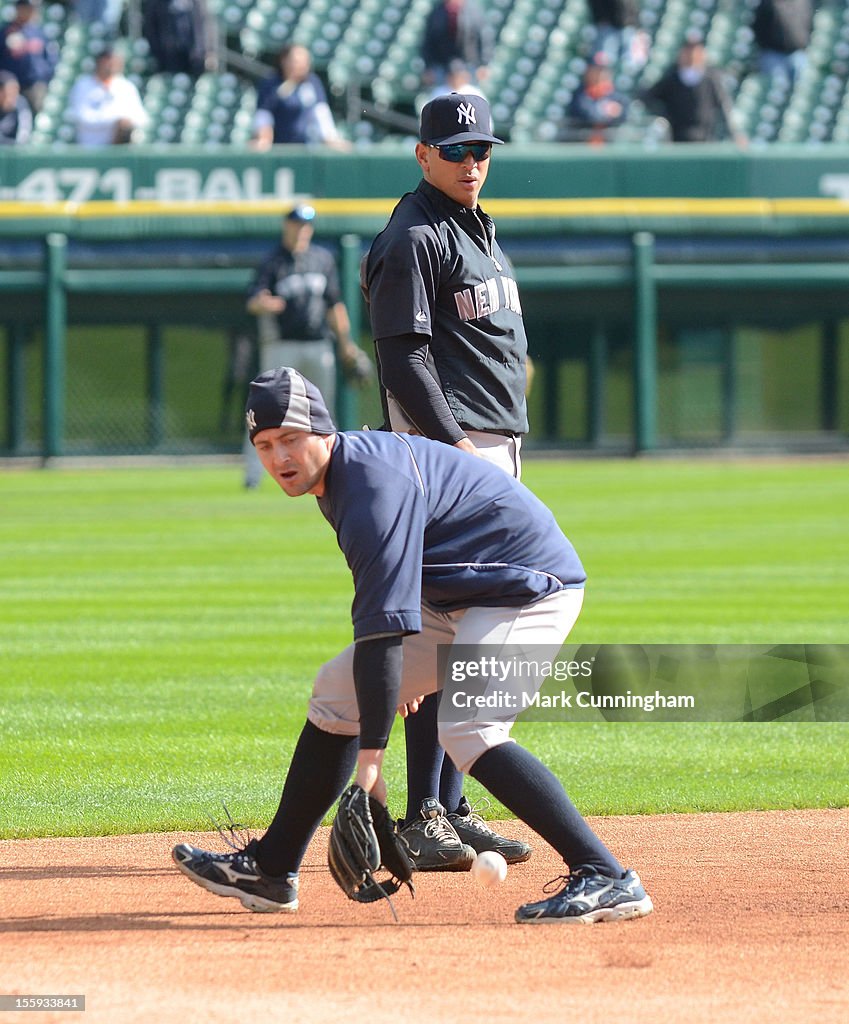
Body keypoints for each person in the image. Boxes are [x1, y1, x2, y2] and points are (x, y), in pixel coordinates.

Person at [172, 366, 654, 925]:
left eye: (291, 439)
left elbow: (382, 625)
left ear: (323, 433)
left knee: (470, 727)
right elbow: (385, 622)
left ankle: (606, 875)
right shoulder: (339, 478)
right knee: (337, 691)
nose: (280, 457)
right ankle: (272, 869)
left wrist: (370, 765)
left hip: (527, 587)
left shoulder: (369, 484)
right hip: (459, 594)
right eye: (265, 444)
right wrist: (395, 676)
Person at [359, 92, 535, 871]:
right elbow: (403, 359)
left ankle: (452, 806)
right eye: (456, 150)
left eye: (481, 150)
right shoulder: (414, 236)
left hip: (488, 448)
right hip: (448, 456)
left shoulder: (471, 223)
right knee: (447, 631)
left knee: (473, 635)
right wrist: (455, 444)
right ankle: (424, 812)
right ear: (423, 154)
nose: (472, 162)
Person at [242, 204, 372, 490]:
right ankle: (253, 476)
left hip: (318, 345)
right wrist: (263, 304)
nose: (301, 230)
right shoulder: (273, 262)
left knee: (322, 411)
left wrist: (346, 344)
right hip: (281, 346)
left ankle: (336, 469)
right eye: (297, 224)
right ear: (286, 226)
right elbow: (252, 300)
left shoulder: (322, 260)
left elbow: (334, 305)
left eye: (306, 225)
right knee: (263, 412)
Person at [640, 32, 746, 144]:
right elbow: (649, 97)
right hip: (677, 138)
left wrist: (735, 133)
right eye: (688, 51)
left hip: (706, 138)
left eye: (696, 51)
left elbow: (724, 105)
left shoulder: (711, 78)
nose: (691, 55)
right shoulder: (671, 78)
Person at [250, 44, 348, 150]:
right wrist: (264, 138)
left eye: (305, 61)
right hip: (280, 149)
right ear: (284, 61)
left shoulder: (313, 83)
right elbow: (264, 115)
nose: (301, 65)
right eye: (296, 61)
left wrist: (331, 138)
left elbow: (321, 113)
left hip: (309, 149)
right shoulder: (271, 84)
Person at [66, 47, 149, 146]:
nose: (112, 65)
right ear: (99, 63)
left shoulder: (126, 86)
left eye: (115, 61)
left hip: (120, 150)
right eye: (108, 61)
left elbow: (141, 118)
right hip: (91, 147)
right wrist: (114, 121)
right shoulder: (83, 85)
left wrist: (124, 122)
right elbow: (82, 116)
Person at [0, 0, 58, 114]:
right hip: (9, 85)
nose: (29, 11)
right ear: (18, 9)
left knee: (35, 116)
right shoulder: (6, 31)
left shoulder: (39, 32)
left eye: (32, 9)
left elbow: (50, 59)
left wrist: (41, 77)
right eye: (26, 8)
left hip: (33, 85)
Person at [420, 0, 494, 89]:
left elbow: (484, 38)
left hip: (470, 65)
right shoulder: (437, 12)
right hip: (442, 66)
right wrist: (428, 66)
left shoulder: (473, 11)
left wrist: (484, 64)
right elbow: (428, 41)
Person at [563, 53, 630, 142]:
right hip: (582, 145)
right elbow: (588, 115)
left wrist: (616, 112)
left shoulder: (617, 97)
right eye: (597, 71)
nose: (600, 75)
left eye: (603, 71)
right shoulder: (579, 95)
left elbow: (625, 115)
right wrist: (607, 111)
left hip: (609, 145)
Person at [142, 0, 218, 78]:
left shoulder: (198, 2)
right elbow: (151, 29)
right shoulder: (157, 2)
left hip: (196, 57)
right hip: (169, 58)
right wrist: (158, 52)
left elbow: (207, 26)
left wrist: (210, 51)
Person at [752, 0, 813, 86]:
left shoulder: (800, 4)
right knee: (779, 82)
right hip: (773, 53)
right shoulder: (766, 5)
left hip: (797, 53)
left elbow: (804, 36)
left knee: (805, 71)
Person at [586, 0, 649, 76]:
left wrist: (636, 25)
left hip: (627, 26)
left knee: (628, 63)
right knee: (603, 59)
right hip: (609, 26)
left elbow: (630, 7)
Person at [0, 70, 32, 144]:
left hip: (13, 151)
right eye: (10, 91)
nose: (14, 95)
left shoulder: (21, 104)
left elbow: (24, 134)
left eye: (16, 90)